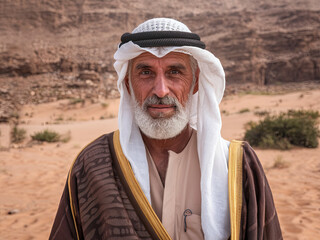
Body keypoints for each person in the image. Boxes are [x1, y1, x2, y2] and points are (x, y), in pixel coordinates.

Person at [50, 18, 282, 240]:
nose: (161, 90)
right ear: (129, 84)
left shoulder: (239, 166)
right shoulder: (92, 165)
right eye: (146, 72)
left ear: (195, 83)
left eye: (174, 72)